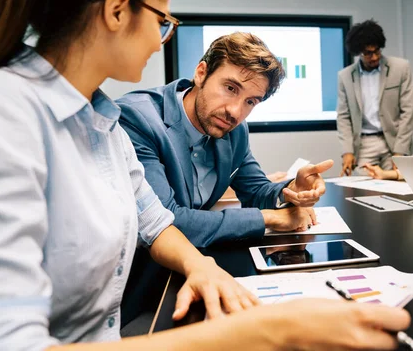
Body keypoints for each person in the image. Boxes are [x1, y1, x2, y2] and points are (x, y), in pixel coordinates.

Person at [0, 0, 410, 349]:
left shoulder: (101, 119)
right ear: (116, 10)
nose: (161, 40)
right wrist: (268, 329)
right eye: (161, 21)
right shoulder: (2, 112)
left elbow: (155, 219)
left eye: (250, 102)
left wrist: (202, 264)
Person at [116, 32, 333, 322]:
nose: (235, 111)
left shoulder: (234, 130)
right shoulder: (140, 120)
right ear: (201, 72)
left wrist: (290, 190)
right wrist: (270, 218)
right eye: (230, 88)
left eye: (250, 102)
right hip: (141, 283)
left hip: (200, 269)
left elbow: (256, 189)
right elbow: (168, 220)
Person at [337, 19, 413, 176]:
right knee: (363, 192)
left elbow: (408, 111)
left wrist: (400, 152)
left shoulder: (401, 68)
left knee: (397, 189)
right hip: (364, 143)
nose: (374, 57)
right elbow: (344, 117)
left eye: (377, 51)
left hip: (395, 141)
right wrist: (347, 151)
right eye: (368, 53)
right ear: (358, 53)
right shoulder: (345, 76)